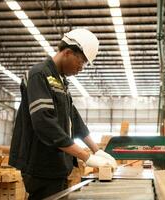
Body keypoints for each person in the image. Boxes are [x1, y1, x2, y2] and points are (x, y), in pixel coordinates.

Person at [9, 28, 117, 200]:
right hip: (41, 164)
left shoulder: (60, 81)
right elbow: (44, 123)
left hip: (57, 164)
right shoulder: (39, 75)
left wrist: (97, 151)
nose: (81, 68)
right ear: (68, 52)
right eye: (81, 62)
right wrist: (86, 157)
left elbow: (73, 118)